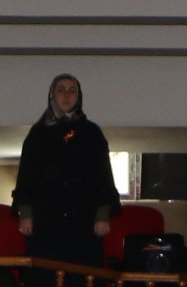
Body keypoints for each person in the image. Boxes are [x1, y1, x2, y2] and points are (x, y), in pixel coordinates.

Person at [12, 73, 117, 266]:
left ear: (79, 96)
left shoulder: (92, 133)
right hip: (46, 221)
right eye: (61, 90)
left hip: (83, 222)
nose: (66, 96)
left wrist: (102, 216)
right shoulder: (38, 134)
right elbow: (26, 177)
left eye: (72, 91)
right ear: (52, 95)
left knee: (83, 281)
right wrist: (25, 214)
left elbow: (104, 177)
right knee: (45, 279)